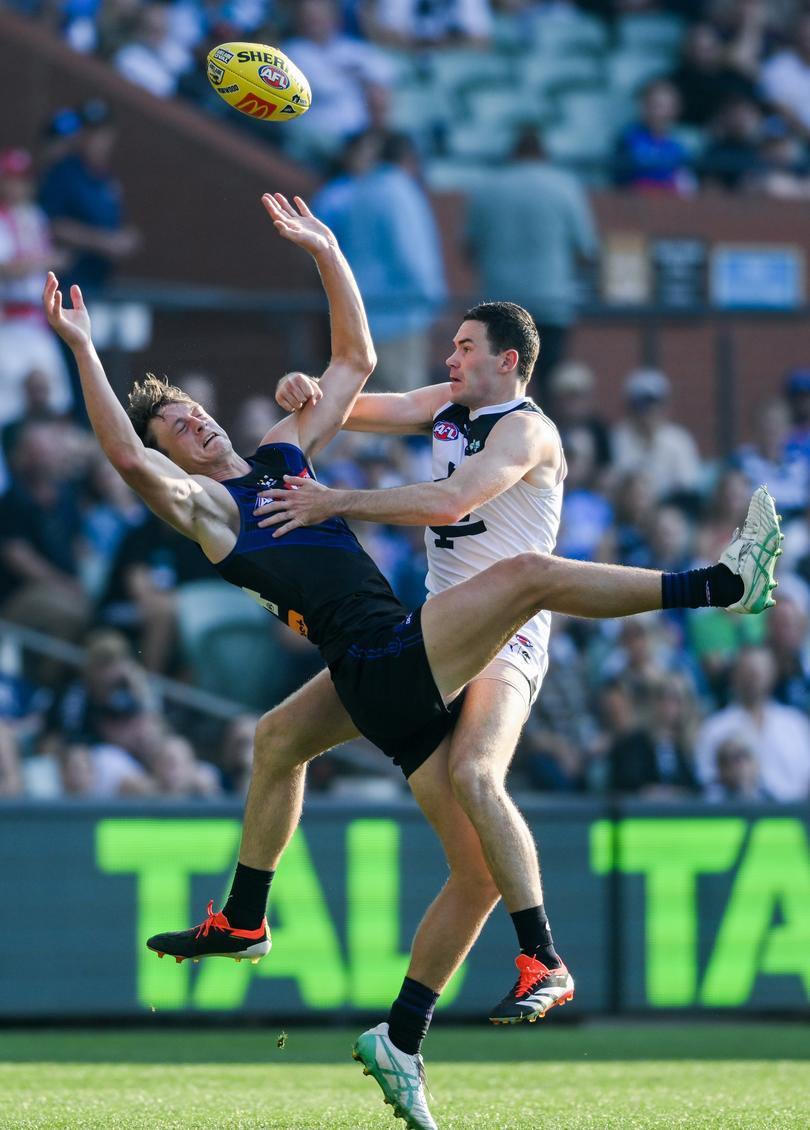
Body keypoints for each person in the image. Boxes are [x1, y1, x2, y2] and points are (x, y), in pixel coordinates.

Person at [44, 194, 782, 1130]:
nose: (194, 425)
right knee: (526, 577)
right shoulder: (211, 507)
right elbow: (123, 453)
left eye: (191, 412)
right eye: (179, 429)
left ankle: (349, 994)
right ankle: (718, 589)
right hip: (396, 655)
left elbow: (352, 361)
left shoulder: (279, 456)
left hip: (389, 672)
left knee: (309, 761)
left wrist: (325, 248)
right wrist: (82, 348)